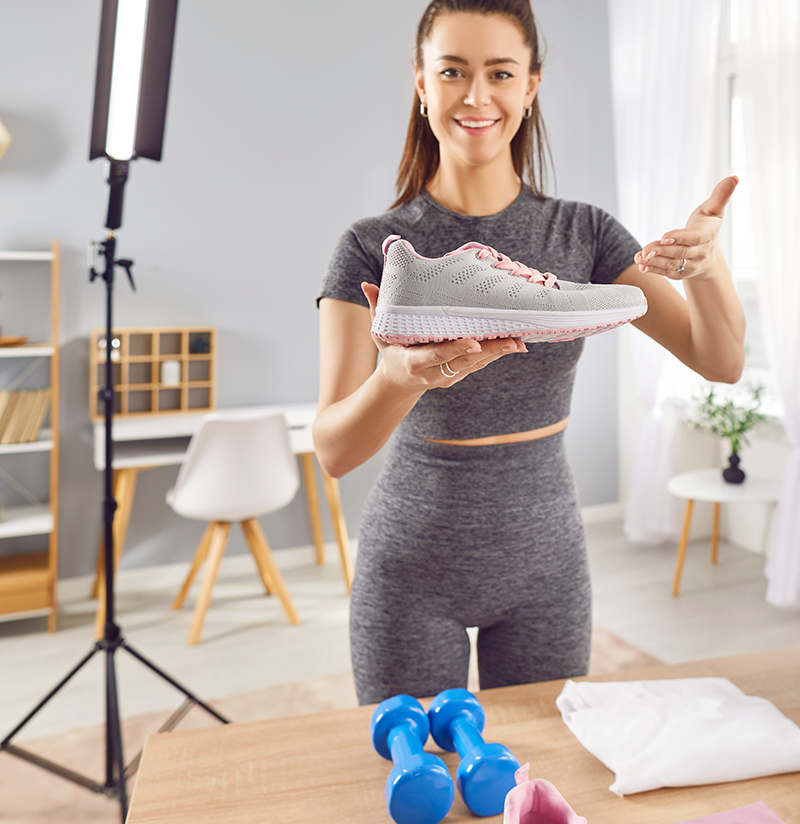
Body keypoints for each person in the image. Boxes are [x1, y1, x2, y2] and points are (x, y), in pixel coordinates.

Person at [314, 0, 745, 705]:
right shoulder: (372, 247)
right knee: (417, 768)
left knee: (541, 767)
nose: (476, 96)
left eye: (500, 73)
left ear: (530, 87)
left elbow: (719, 360)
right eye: (452, 71)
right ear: (421, 82)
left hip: (546, 562)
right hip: (411, 565)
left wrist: (707, 268)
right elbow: (333, 450)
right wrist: (397, 378)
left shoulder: (585, 235)